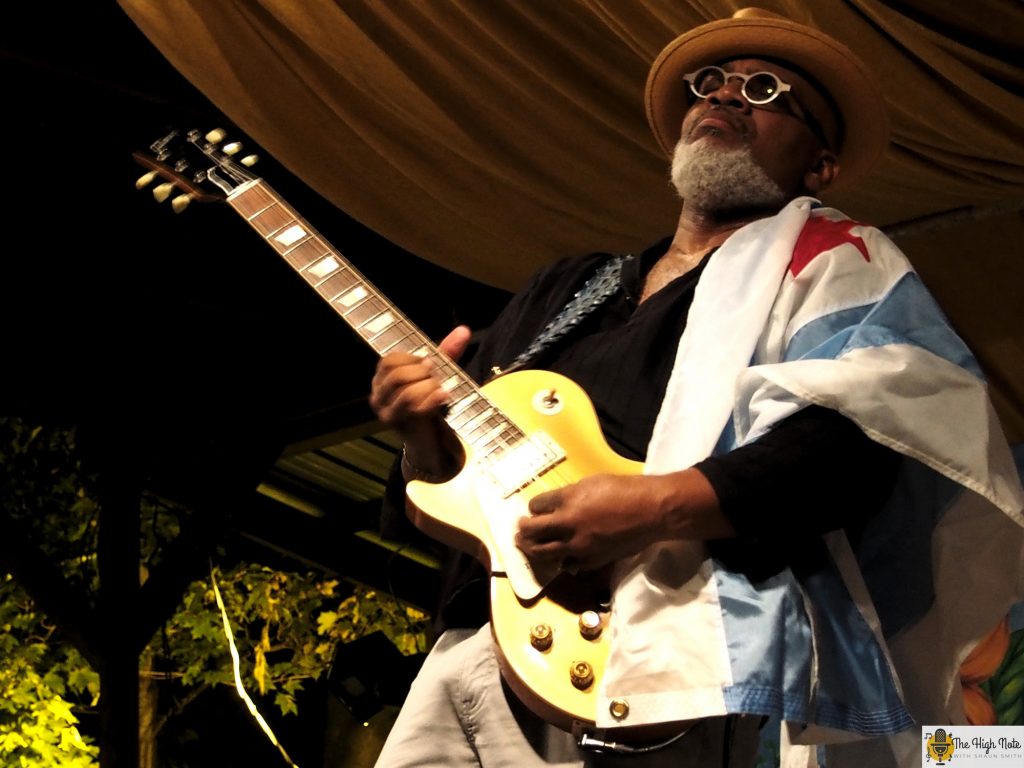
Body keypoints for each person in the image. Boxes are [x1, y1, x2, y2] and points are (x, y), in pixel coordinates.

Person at [369, 8, 1024, 768]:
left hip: (668, 672)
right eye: (710, 84)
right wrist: (420, 436)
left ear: (820, 167)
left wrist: (653, 507)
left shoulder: (833, 260)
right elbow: (444, 500)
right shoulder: (564, 288)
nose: (725, 97)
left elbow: (862, 442)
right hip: (476, 653)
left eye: (766, 88)